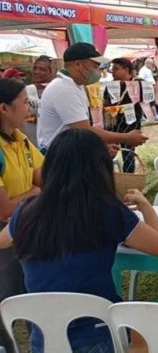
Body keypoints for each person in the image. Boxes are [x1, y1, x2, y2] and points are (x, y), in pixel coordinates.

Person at [0, 128, 158, 353]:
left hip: (43, 339)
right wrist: (147, 207)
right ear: (100, 168)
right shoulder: (108, 211)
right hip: (97, 334)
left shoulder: (26, 213)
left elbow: (2, 241)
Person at [38, 42, 148, 151]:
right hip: (58, 155)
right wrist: (126, 138)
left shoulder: (76, 86)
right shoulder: (63, 88)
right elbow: (84, 130)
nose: (98, 72)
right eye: (95, 67)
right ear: (78, 65)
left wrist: (102, 143)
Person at [0, 79, 43, 351]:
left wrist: (29, 193)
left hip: (25, 231)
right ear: (4, 108)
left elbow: (46, 179)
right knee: (5, 301)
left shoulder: (22, 140)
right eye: (24, 101)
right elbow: (4, 209)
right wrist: (34, 192)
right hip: (4, 238)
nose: (29, 106)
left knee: (32, 297)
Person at [105, 58, 144, 174]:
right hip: (113, 124)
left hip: (131, 125)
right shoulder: (111, 86)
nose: (113, 72)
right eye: (112, 69)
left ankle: (128, 179)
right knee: (109, 153)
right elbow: (106, 104)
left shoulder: (139, 84)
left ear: (126, 70)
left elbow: (152, 98)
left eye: (116, 69)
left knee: (128, 154)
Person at [24, 55, 55, 147]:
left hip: (49, 145)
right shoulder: (25, 91)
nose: (37, 72)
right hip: (28, 144)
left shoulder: (55, 92)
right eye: (35, 68)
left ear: (51, 72)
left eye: (42, 69)